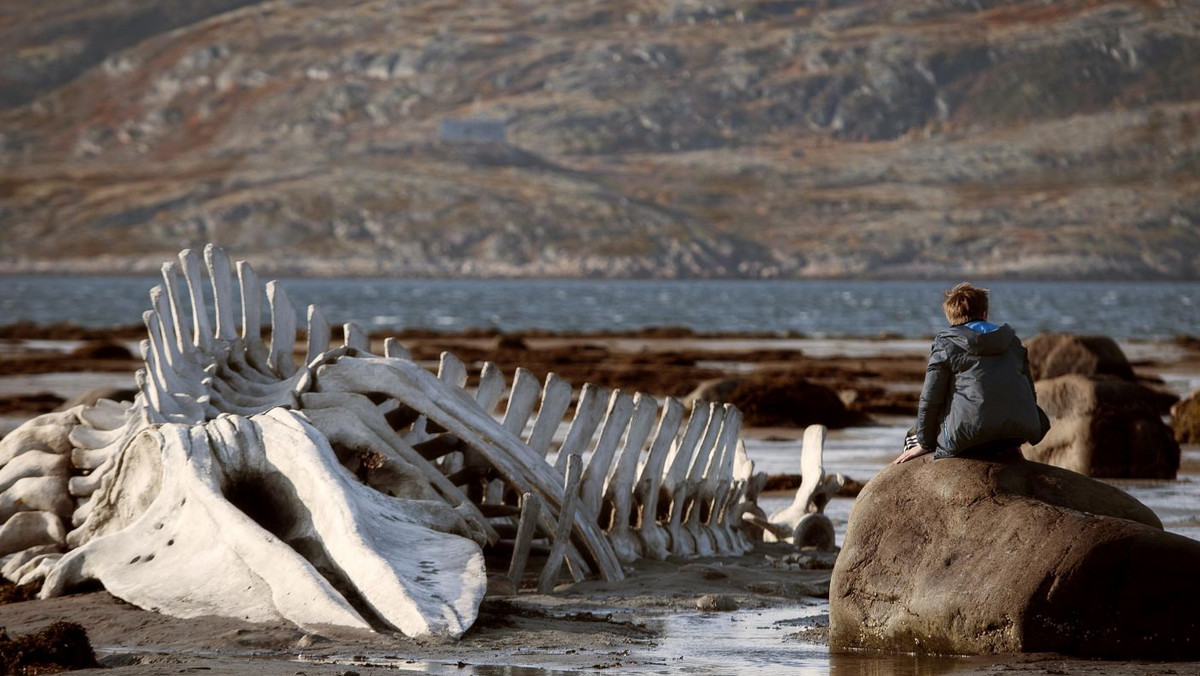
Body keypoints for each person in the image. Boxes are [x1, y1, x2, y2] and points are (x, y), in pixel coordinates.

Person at [894, 282, 1048, 464]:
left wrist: (926, 444)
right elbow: (1030, 392)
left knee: (912, 437)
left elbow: (930, 399)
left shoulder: (947, 344)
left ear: (951, 317)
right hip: (1017, 434)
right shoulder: (1012, 342)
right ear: (985, 313)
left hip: (971, 438)